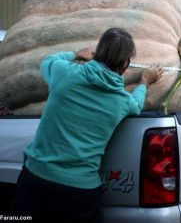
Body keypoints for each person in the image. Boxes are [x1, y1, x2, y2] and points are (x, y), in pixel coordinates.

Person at [10, 27, 163, 222]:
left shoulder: (65, 74)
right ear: (126, 63)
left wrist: (75, 54)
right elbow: (137, 104)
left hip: (36, 180)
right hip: (79, 192)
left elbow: (47, 62)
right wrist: (145, 83)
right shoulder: (122, 101)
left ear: (97, 54)